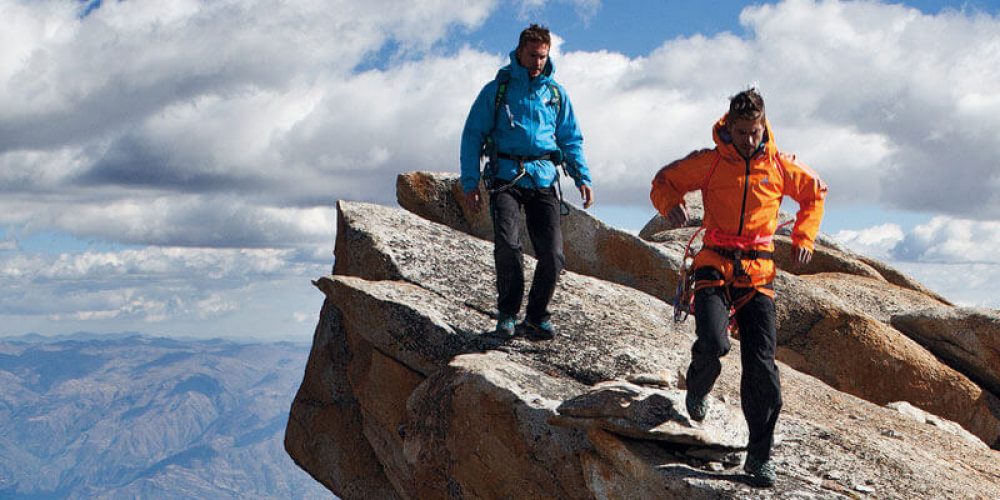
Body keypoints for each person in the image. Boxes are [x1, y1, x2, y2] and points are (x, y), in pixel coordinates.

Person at [650, 88, 827, 487]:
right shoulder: (712, 162)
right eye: (742, 131)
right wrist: (669, 203)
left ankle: (759, 458)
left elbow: (815, 193)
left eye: (755, 132)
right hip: (713, 261)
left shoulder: (779, 166)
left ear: (764, 127)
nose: (749, 139)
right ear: (728, 126)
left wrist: (804, 236)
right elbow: (664, 180)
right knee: (714, 342)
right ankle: (697, 388)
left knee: (762, 368)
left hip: (759, 272)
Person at [460, 24, 594, 340]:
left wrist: (582, 177)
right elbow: (472, 136)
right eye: (533, 55)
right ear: (520, 51)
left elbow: (571, 138)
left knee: (553, 255)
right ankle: (507, 314)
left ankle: (535, 317)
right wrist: (470, 182)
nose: (537, 62)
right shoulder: (498, 90)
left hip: (544, 178)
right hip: (505, 177)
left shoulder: (556, 94)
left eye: (543, 56)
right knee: (508, 245)